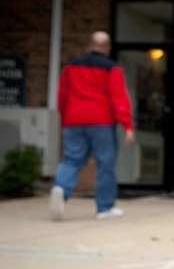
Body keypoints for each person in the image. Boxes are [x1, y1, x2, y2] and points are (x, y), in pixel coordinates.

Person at [49, 31, 134, 221]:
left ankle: (61, 189)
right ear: (108, 47)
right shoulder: (112, 68)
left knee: (72, 159)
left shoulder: (71, 67)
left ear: (89, 44)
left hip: (74, 121)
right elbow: (119, 98)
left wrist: (65, 121)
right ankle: (104, 208)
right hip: (101, 123)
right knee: (105, 163)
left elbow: (62, 96)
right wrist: (127, 125)